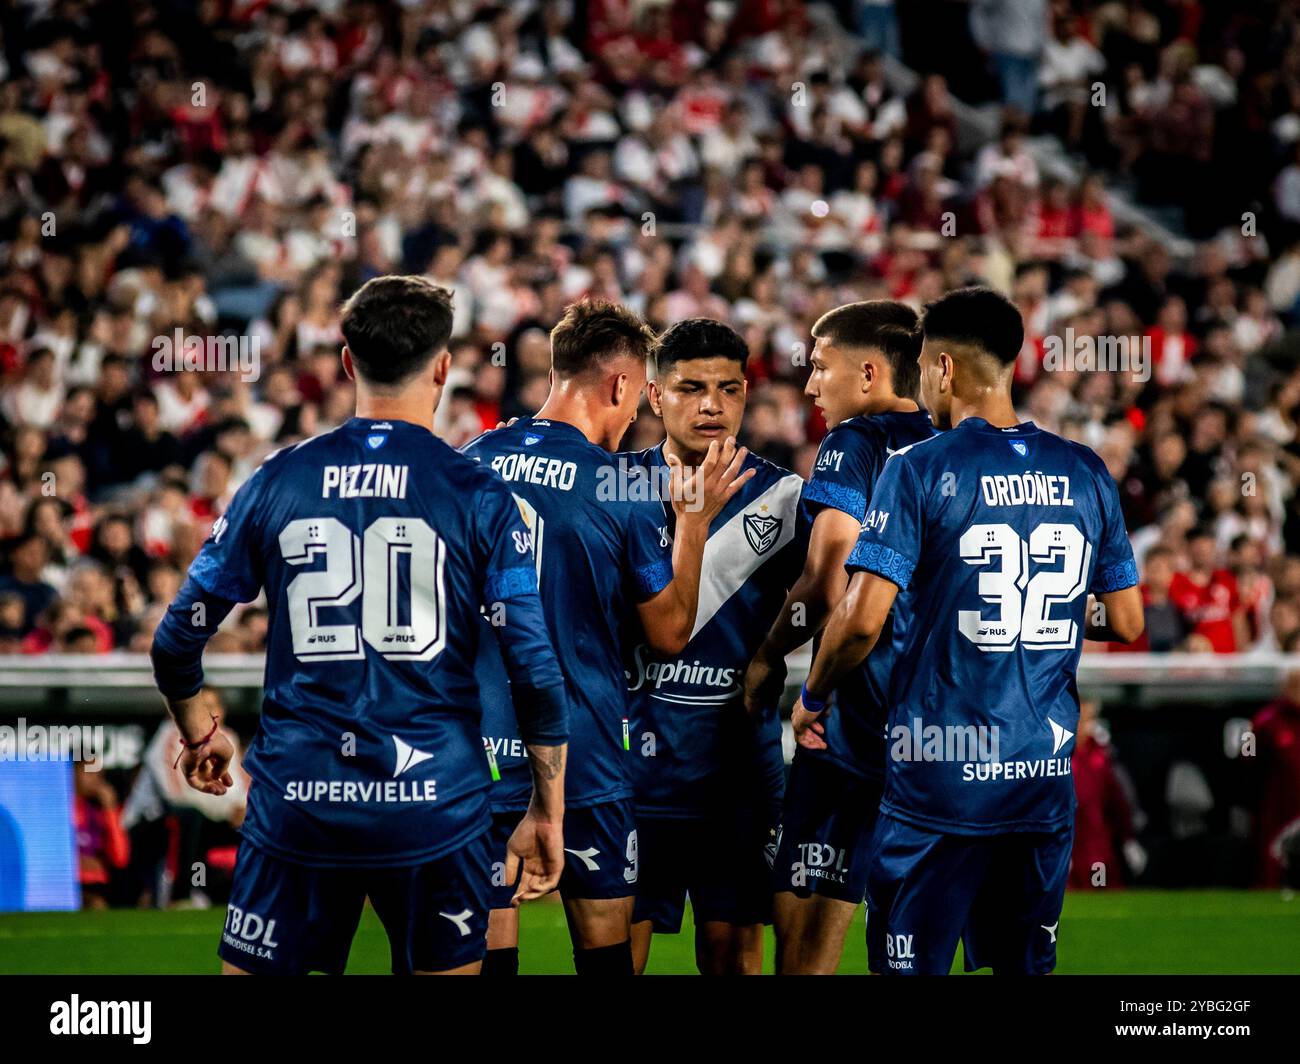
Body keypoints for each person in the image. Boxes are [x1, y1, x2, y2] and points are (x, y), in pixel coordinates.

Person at [150, 275, 569, 975]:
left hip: (299, 800)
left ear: (347, 362)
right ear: (443, 367)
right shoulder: (479, 494)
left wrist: (201, 733)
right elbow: (533, 667)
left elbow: (175, 640)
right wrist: (547, 808)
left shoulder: (277, 479)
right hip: (436, 804)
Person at [793, 287, 1144, 975]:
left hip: (937, 783)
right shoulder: (1085, 471)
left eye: (923, 367)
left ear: (944, 368)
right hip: (1039, 779)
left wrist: (814, 692)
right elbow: (1125, 618)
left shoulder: (917, 467)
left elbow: (861, 620)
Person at [464, 301, 753, 977]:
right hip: (585, 757)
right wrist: (692, 520)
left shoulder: (474, 458)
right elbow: (671, 634)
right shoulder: (622, 484)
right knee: (605, 964)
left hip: (478, 756)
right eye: (634, 404)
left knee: (482, 959)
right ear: (622, 386)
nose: (633, 424)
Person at [743, 300, 934, 974]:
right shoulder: (954, 442)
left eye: (821, 367)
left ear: (870, 372)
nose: (809, 385)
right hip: (946, 728)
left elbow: (829, 582)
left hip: (856, 721)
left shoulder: (856, 443)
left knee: (804, 952)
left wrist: (771, 662)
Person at [623, 319, 806, 975]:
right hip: (631, 768)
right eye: (690, 387)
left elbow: (833, 598)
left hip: (736, 772)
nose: (710, 405)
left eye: (728, 389)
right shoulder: (615, 489)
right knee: (617, 950)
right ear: (654, 394)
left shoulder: (785, 500)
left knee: (733, 953)